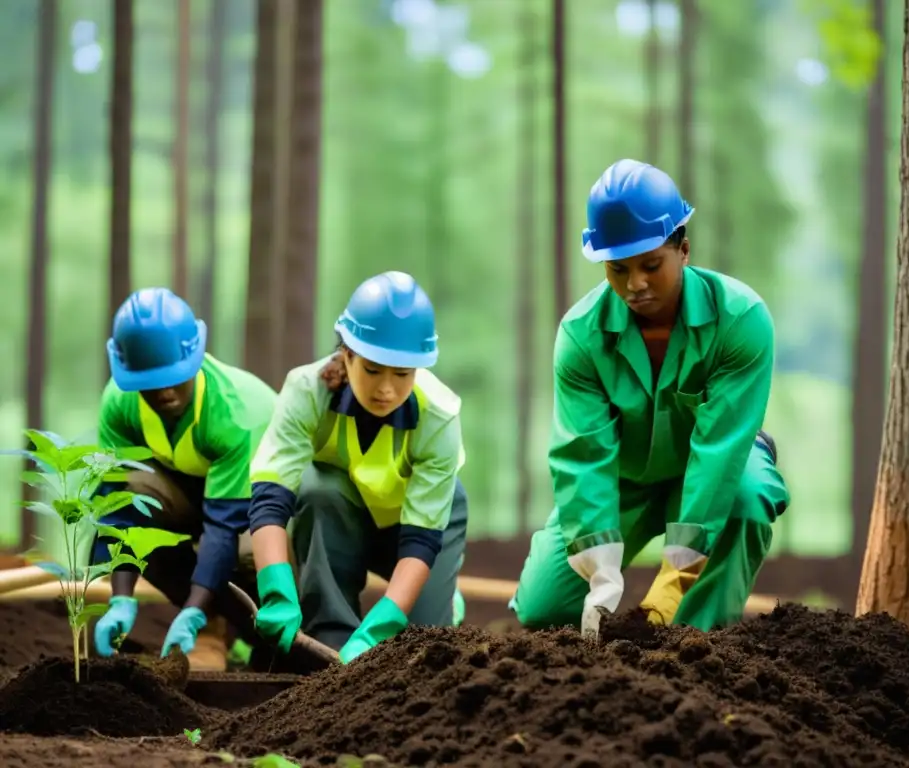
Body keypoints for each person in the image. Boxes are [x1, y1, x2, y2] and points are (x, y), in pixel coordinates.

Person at [510, 159, 789, 635]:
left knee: (745, 496)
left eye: (651, 265)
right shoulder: (581, 337)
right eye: (618, 269)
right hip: (624, 478)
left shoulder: (741, 320)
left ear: (683, 250)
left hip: (708, 467)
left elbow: (718, 450)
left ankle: (699, 645)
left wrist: (676, 576)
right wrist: (600, 574)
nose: (634, 284)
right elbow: (584, 456)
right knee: (542, 608)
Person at [247, 271, 468, 663]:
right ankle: (331, 635)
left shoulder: (439, 415)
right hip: (341, 520)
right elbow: (271, 497)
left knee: (421, 645)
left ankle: (442, 598)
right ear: (347, 355)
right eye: (372, 369)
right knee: (318, 487)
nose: (386, 388)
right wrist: (276, 590)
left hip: (418, 527)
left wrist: (379, 628)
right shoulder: (306, 390)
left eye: (402, 374)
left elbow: (420, 538)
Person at [91, 287, 277, 659]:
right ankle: (211, 624)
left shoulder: (234, 414)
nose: (165, 393)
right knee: (136, 498)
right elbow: (115, 507)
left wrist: (192, 609)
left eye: (175, 377)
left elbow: (222, 527)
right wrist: (120, 599)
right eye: (150, 383)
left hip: (258, 503)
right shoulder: (119, 403)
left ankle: (255, 639)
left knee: (247, 559)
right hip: (186, 489)